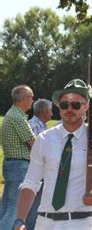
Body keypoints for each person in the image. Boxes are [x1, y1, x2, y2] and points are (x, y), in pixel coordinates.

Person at [14, 79, 92, 230]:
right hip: (45, 222)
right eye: (64, 105)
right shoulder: (44, 139)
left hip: (81, 223)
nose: (69, 109)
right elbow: (30, 182)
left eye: (76, 105)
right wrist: (19, 221)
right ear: (59, 108)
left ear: (86, 107)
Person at [0, 85, 35, 230]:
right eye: (32, 97)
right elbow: (34, 144)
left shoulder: (10, 114)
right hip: (19, 166)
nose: (33, 101)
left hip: (10, 164)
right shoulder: (18, 118)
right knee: (14, 210)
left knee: (6, 207)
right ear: (25, 99)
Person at [26, 99, 53, 229]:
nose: (52, 114)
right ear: (44, 111)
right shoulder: (33, 126)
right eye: (50, 111)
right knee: (33, 204)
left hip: (44, 171)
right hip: (36, 171)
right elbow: (39, 151)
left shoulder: (43, 127)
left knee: (40, 203)